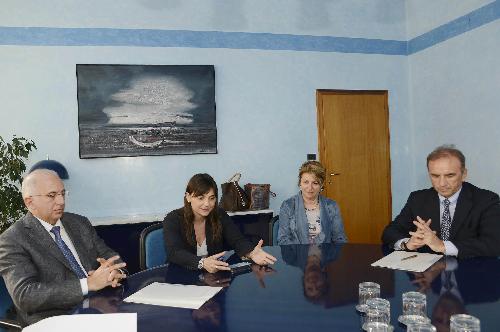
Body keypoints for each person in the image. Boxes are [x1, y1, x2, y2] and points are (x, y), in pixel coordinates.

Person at [0, 169, 126, 325]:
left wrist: (114, 271)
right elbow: (26, 296)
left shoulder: (79, 223)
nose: (61, 201)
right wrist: (88, 284)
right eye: (52, 195)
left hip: (101, 306)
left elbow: (109, 256)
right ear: (29, 202)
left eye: (62, 193)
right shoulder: (12, 239)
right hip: (55, 320)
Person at [382, 145, 500, 258]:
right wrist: (407, 243)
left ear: (464, 174)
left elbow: (494, 244)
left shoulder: (487, 200)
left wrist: (443, 246)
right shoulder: (417, 198)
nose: (442, 183)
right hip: (427, 272)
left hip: (470, 270)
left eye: (450, 175)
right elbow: (390, 232)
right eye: (435, 176)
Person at [163, 173, 276, 273]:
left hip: (213, 276)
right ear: (188, 197)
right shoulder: (173, 219)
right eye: (201, 198)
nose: (207, 204)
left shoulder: (219, 215)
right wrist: (202, 263)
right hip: (181, 276)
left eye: (211, 198)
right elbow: (174, 252)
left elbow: (237, 240)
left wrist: (251, 253)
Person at [277, 161, 347, 245]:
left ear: (321, 185)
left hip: (325, 255)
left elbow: (339, 239)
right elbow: (283, 239)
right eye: (306, 182)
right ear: (300, 183)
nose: (310, 188)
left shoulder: (332, 206)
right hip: (297, 255)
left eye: (315, 183)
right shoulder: (288, 205)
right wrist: (304, 253)